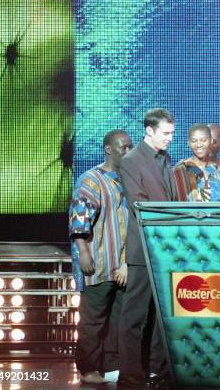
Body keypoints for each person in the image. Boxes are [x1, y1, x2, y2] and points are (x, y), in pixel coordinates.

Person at [117, 108, 176, 389]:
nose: (169, 139)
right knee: (134, 317)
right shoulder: (131, 160)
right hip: (143, 250)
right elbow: (139, 205)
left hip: (164, 251)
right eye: (165, 134)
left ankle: (159, 371)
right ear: (149, 131)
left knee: (161, 317)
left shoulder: (165, 158)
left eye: (172, 134)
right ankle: (130, 375)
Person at [69, 130, 132, 384]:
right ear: (109, 149)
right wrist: (83, 252)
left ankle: (111, 364)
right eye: (122, 147)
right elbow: (79, 220)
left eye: (130, 147)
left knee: (118, 318)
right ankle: (88, 368)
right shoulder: (92, 180)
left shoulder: (127, 180)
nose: (127, 151)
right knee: (93, 319)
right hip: (98, 261)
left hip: (123, 263)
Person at [172, 123, 220, 201]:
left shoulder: (218, 169)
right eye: (194, 141)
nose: (198, 145)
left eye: (203, 140)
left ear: (211, 141)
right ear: (188, 143)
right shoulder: (180, 170)